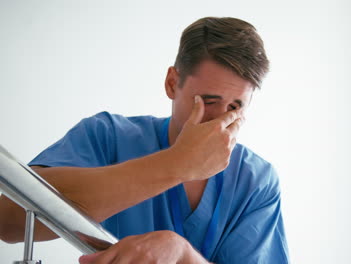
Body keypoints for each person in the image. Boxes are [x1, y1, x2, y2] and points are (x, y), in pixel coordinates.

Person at [0, 17, 289, 263]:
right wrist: (178, 164)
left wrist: (182, 254)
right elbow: (9, 221)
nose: (219, 120)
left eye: (235, 107)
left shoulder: (257, 181)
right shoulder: (107, 136)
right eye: (209, 101)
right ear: (172, 83)